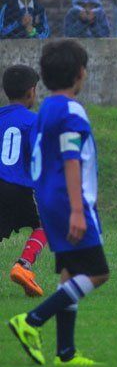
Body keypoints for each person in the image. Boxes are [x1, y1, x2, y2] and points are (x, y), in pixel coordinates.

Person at [7, 40, 109, 366]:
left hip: (49, 200)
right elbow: (71, 157)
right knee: (97, 273)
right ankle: (32, 321)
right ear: (81, 73)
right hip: (70, 201)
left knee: (69, 272)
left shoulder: (44, 110)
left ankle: (65, 352)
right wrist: (78, 209)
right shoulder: (71, 110)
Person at [0, 65, 47, 297]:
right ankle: (23, 266)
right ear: (31, 91)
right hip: (18, 186)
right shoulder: (33, 121)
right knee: (44, 224)